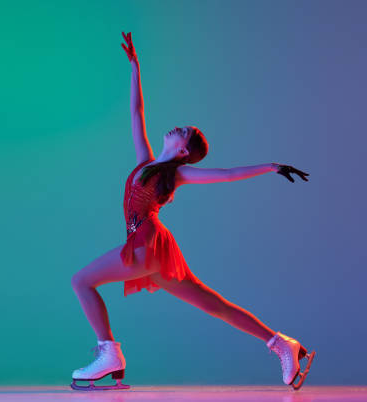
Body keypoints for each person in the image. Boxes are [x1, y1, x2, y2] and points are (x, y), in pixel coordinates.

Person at [70, 31, 315, 391]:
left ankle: (110, 353)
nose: (175, 128)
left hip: (146, 243)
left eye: (181, 132)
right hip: (154, 248)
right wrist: (136, 67)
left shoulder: (178, 174)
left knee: (81, 280)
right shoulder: (145, 162)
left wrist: (273, 166)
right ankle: (282, 344)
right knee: (214, 305)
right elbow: (137, 112)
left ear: (184, 150)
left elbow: (228, 174)